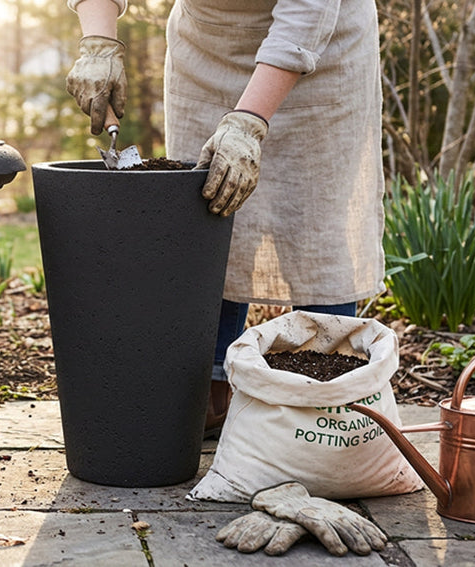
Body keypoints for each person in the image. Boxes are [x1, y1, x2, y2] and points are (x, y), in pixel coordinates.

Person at [65, 0, 386, 435]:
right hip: (208, 49)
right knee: (207, 213)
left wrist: (250, 121)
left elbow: (308, 10)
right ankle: (210, 391)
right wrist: (98, 41)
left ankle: (324, 408)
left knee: (315, 228)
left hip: (318, 52)